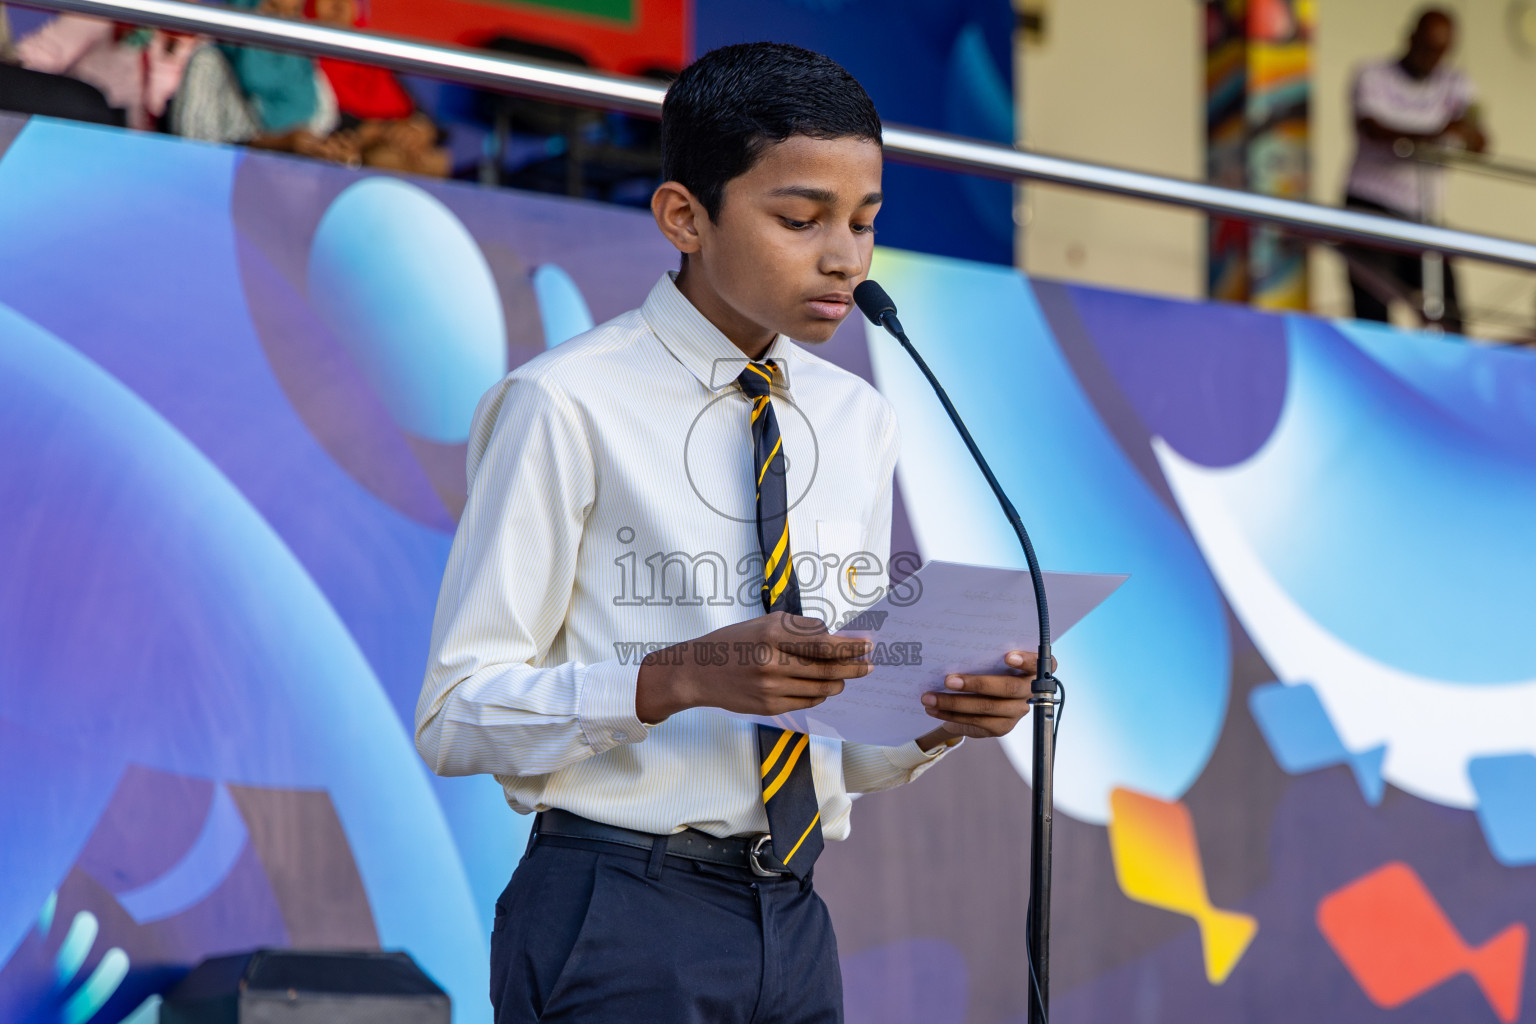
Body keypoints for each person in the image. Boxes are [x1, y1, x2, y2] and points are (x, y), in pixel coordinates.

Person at [415, 42, 1045, 1024]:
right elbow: (455, 713)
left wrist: (935, 715)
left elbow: (830, 738)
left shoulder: (854, 417)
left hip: (793, 916)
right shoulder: (565, 401)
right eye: (800, 218)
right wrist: (678, 676)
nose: (844, 255)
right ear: (684, 216)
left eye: (865, 222)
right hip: (615, 909)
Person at [1341, 7, 1487, 333]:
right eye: (1426, 47)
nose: (1431, 58)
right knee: (1372, 309)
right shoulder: (1372, 74)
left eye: (1440, 51)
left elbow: (1478, 139)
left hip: (1423, 214)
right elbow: (1373, 129)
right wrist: (1440, 131)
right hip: (1370, 205)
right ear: (1410, 37)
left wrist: (1470, 130)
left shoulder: (1457, 84)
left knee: (1447, 313)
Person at [169, 0, 355, 163]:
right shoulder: (210, 62)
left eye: (293, 10)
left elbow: (323, 124)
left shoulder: (302, 63)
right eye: (272, 7)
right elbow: (193, 150)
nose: (283, 20)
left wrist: (330, 149)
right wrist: (275, 145)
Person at [306, 0, 450, 176]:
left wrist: (419, 130)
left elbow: (422, 117)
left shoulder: (373, 58)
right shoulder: (303, 61)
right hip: (350, 150)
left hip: (398, 145)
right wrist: (377, 132)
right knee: (385, 159)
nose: (338, 5)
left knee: (437, 161)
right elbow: (320, 123)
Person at [14, 13, 198, 130]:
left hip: (157, 150)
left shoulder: (209, 33)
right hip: (87, 132)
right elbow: (36, 58)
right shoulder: (110, 10)